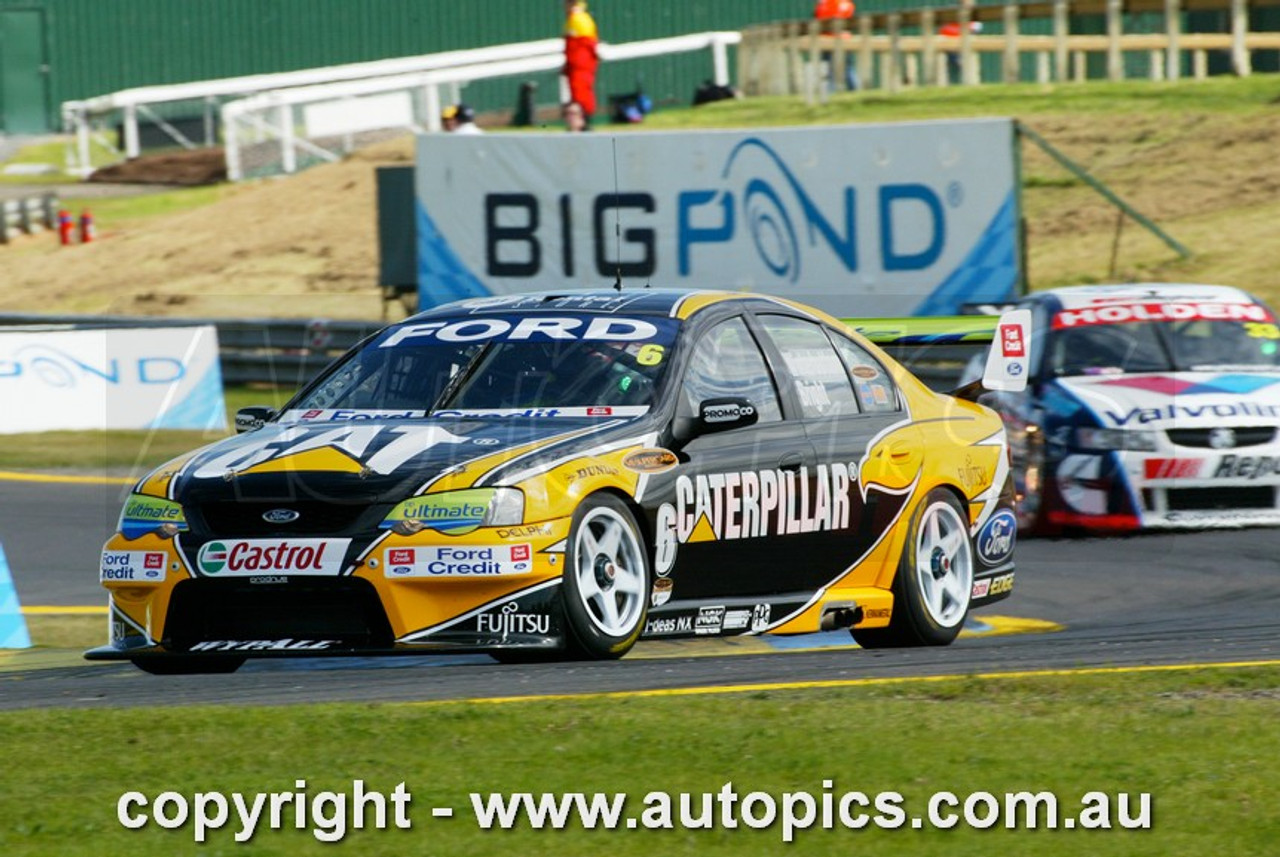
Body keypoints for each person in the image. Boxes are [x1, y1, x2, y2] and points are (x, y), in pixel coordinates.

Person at [563, 0, 600, 125]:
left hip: (580, 64)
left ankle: (584, 122)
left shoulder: (578, 19)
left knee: (581, 93)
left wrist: (572, 64)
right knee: (579, 91)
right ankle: (581, 122)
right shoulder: (578, 19)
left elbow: (581, 45)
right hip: (578, 64)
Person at [814, 0, 859, 91]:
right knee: (848, 68)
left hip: (828, 40)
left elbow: (819, 17)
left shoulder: (825, 4)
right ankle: (855, 89)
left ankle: (830, 91)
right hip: (845, 39)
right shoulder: (847, 4)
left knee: (829, 68)